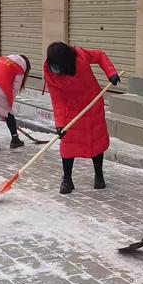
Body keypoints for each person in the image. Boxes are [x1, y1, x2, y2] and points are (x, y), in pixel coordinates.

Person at [44, 42, 120, 195]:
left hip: (92, 103)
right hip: (71, 110)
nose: (56, 68)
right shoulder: (51, 72)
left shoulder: (80, 55)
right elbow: (57, 99)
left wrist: (111, 73)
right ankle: (67, 179)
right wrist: (59, 124)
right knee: (68, 144)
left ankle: (99, 175)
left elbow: (100, 55)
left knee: (96, 140)